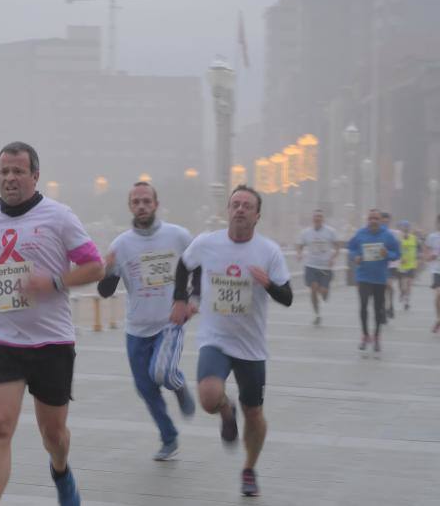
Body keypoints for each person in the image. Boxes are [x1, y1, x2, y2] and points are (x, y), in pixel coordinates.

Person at [0, 141, 104, 506]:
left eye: (18, 172)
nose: (10, 179)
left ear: (35, 176)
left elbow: (95, 266)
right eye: (4, 172)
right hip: (3, 339)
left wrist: (53, 282)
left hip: (52, 341)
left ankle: (60, 470)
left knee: (53, 434)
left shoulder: (59, 216)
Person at [171, 185, 293, 497]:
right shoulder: (207, 243)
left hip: (251, 347)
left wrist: (268, 284)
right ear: (228, 210)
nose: (240, 209)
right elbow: (184, 265)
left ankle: (249, 469)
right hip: (216, 338)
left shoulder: (269, 252)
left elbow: (288, 296)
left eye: (246, 206)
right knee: (209, 397)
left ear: (257, 215)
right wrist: (180, 301)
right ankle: (227, 411)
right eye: (235, 204)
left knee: (254, 414)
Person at [97, 182, 197, 461]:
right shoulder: (121, 245)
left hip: (169, 322)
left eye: (146, 201)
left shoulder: (178, 236)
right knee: (145, 388)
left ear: (156, 204)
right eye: (136, 202)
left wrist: (193, 301)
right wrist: (105, 271)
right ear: (130, 207)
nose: (141, 206)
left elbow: (200, 267)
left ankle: (177, 384)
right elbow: (105, 292)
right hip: (136, 329)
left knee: (162, 372)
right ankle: (169, 438)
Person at [347, 209, 401, 357]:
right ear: (367, 220)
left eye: (376, 218)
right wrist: (355, 257)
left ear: (380, 220)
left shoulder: (387, 235)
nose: (373, 221)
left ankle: (376, 337)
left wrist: (387, 254)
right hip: (363, 277)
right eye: (371, 218)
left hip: (380, 278)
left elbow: (397, 253)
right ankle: (365, 335)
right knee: (363, 306)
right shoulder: (360, 233)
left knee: (378, 309)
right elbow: (350, 248)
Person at [295, 209, 340, 326]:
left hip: (325, 267)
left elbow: (337, 247)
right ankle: (317, 314)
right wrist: (299, 253)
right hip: (311, 266)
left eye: (320, 216)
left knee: (323, 293)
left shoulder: (330, 232)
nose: (317, 218)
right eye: (315, 216)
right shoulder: (306, 233)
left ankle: (325, 291)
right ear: (312, 219)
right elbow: (299, 245)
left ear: (323, 219)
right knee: (313, 289)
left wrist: (333, 257)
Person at [380, 212, 401, 319]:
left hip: (392, 264)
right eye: (383, 220)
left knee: (389, 285)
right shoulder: (376, 232)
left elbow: (398, 249)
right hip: (380, 264)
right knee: (382, 288)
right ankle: (383, 308)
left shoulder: (394, 233)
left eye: (387, 221)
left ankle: (390, 305)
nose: (385, 222)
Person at [423, 214, 440, 333]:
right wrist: (430, 256)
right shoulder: (432, 237)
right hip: (437, 270)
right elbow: (426, 254)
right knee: (438, 295)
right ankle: (438, 318)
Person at [397, 221, 419, 311]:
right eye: (404, 227)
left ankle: (407, 302)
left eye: (407, 227)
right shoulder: (398, 239)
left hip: (411, 264)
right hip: (401, 265)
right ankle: (402, 293)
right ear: (401, 229)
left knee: (409, 284)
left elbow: (418, 250)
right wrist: (400, 257)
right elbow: (395, 250)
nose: (406, 229)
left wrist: (418, 259)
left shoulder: (414, 238)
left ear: (409, 229)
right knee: (403, 285)